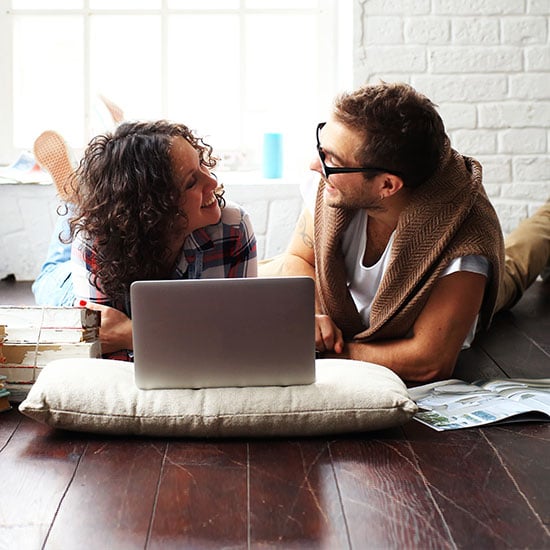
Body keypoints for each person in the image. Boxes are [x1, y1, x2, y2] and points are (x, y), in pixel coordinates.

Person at [263, 82, 549, 382]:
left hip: (442, 294)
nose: (315, 166)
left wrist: (330, 353)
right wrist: (313, 315)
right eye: (322, 149)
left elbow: (430, 361)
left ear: (387, 185)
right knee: (242, 278)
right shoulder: (335, 184)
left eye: (332, 160)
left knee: (517, 262)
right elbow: (299, 256)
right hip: (354, 310)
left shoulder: (464, 239)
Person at [33, 121, 257, 357]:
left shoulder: (233, 226)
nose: (212, 182)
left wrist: (130, 334)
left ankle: (83, 192)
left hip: (121, 218)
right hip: (71, 282)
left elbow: (240, 336)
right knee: (48, 280)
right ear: (154, 207)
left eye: (202, 164)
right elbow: (105, 350)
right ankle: (73, 196)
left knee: (93, 208)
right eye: (191, 182)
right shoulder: (95, 242)